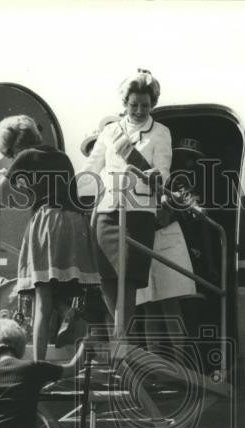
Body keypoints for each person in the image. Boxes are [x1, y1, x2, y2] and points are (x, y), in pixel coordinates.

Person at [0, 115, 101, 361]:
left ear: (14, 146)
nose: (11, 158)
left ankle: (38, 364)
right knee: (59, 285)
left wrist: (1, 175)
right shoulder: (61, 156)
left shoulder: (24, 157)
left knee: (40, 296)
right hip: (74, 222)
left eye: (9, 153)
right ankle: (68, 313)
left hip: (47, 221)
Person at [79, 69, 172, 334]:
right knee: (107, 279)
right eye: (134, 105)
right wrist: (62, 186)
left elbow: (164, 169)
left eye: (145, 105)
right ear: (125, 104)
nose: (140, 110)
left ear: (152, 104)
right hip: (107, 212)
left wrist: (158, 175)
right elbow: (90, 168)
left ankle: (122, 343)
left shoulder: (161, 132)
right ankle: (125, 339)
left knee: (128, 283)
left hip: (138, 213)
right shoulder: (110, 132)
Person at [136, 139, 203, 356]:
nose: (187, 163)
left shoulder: (176, 180)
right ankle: (156, 364)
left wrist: (170, 204)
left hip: (165, 239)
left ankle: (178, 363)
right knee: (150, 308)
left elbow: (191, 208)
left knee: (169, 306)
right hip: (145, 239)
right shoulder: (135, 176)